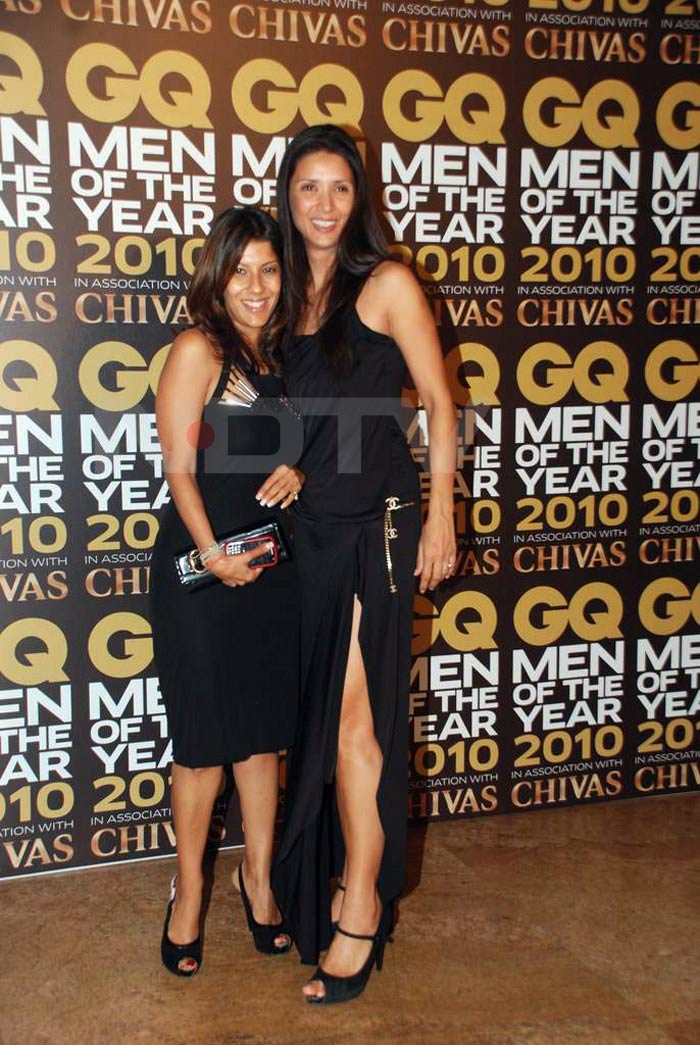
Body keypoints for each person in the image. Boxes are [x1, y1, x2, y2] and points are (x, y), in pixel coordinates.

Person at [271, 125, 457, 1004]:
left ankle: (358, 912)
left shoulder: (385, 284)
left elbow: (441, 406)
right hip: (306, 536)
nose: (323, 204)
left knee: (356, 726)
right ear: (288, 196)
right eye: (308, 187)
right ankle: (310, 886)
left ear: (358, 198)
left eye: (338, 187)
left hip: (378, 530)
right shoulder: (279, 297)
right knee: (315, 723)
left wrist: (443, 513)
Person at [150, 206, 304, 977]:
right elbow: (179, 467)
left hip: (270, 573)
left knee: (262, 740)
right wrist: (213, 554)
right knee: (207, 744)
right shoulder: (198, 349)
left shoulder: (280, 359)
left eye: (270, 269)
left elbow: (289, 456)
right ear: (217, 275)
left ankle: (260, 880)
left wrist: (297, 471)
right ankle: (189, 895)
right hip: (201, 572)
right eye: (241, 269)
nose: (256, 285)